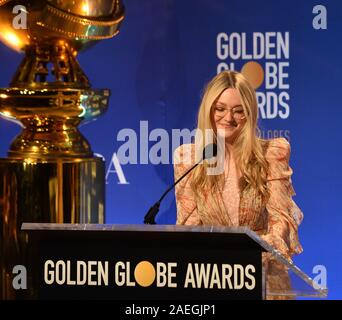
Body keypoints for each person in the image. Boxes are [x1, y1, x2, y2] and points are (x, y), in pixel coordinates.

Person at [173, 70, 303, 299]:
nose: (228, 118)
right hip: (212, 280)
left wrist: (263, 247)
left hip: (263, 280)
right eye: (220, 109)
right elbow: (188, 225)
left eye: (238, 111)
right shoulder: (190, 158)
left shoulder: (272, 153)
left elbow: (280, 217)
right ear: (208, 110)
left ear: (250, 113)